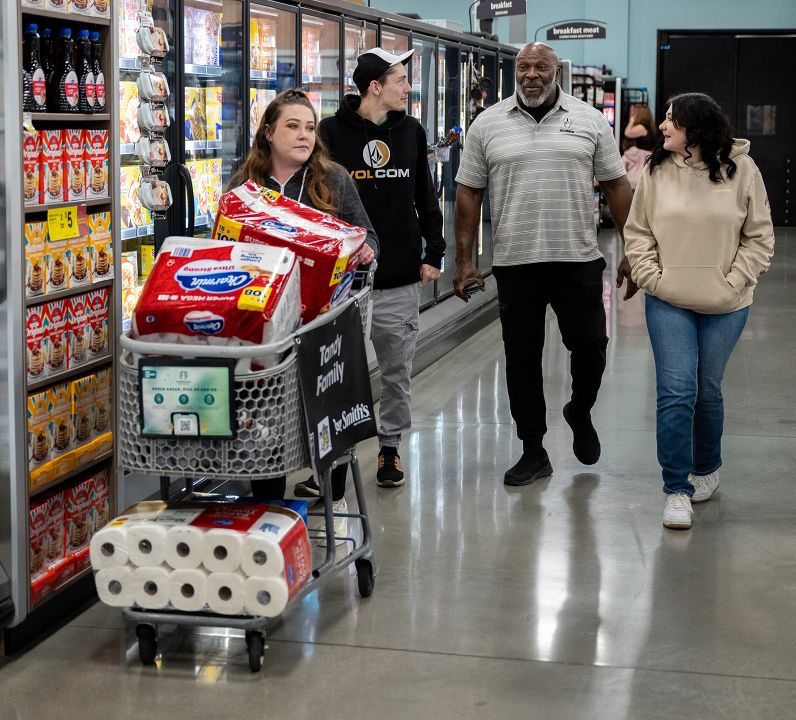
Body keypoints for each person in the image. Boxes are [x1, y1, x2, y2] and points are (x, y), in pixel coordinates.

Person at [452, 42, 633, 487]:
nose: (531, 74)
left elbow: (617, 187)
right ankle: (533, 449)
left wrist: (635, 249)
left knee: (591, 347)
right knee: (522, 359)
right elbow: (468, 193)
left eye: (541, 67)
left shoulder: (589, 119)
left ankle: (580, 409)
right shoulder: (487, 123)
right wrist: (464, 261)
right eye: (523, 67)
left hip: (577, 259)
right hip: (516, 263)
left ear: (557, 73)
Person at [617, 92, 776, 530]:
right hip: (668, 300)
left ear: (696, 130)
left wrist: (733, 282)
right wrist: (654, 279)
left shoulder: (742, 170)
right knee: (676, 391)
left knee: (707, 390)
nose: (662, 126)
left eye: (671, 121)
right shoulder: (655, 169)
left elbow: (760, 237)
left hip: (727, 304)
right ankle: (675, 489)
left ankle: (706, 469)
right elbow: (638, 233)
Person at [225, 88, 378, 528]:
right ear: (268, 132)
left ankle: (328, 484)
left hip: (324, 325)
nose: (304, 135)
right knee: (266, 419)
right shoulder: (245, 188)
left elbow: (369, 236)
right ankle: (268, 515)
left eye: (310, 127)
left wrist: (365, 250)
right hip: (264, 325)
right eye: (292, 126)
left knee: (324, 435)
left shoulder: (334, 181)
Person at [317, 47, 445, 489]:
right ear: (376, 86)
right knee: (336, 374)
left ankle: (389, 450)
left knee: (396, 369)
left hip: (399, 275)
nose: (409, 88)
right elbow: (317, 201)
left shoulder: (411, 130)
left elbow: (425, 197)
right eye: (401, 80)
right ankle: (334, 461)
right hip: (341, 282)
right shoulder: (329, 132)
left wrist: (435, 253)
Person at [620, 104, 655, 201]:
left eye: (635, 113)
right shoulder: (649, 127)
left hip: (637, 168)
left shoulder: (642, 127)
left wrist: (631, 121)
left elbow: (627, 132)